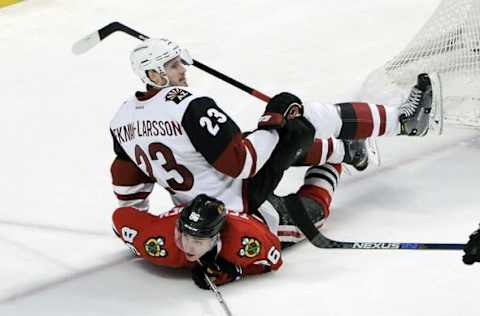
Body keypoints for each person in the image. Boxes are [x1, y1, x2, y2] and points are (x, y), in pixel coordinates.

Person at [109, 38, 434, 216]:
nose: (182, 70)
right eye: (171, 65)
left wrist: (139, 221)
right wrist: (275, 124)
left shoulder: (122, 118)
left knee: (264, 138)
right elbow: (243, 163)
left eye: (179, 62)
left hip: (197, 211)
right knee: (296, 115)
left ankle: (347, 148)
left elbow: (127, 186)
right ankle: (402, 122)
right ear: (152, 75)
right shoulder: (189, 105)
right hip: (240, 198)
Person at [112, 161, 342, 289]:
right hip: (230, 189)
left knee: (316, 212)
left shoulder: (245, 240)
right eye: (185, 235)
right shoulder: (159, 242)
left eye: (198, 240)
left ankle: (337, 157)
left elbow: (273, 261)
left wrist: (234, 271)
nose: (188, 246)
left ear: (216, 238)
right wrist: (133, 244)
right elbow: (121, 219)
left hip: (262, 214)